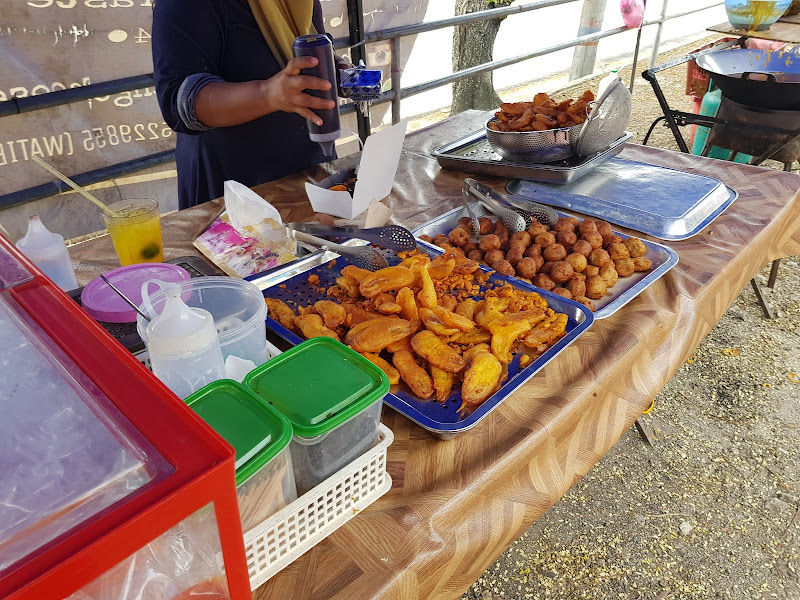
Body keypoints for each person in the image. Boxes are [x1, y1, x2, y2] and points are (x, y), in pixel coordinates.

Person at [152, 0, 344, 209]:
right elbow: (182, 101)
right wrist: (268, 94)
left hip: (311, 170)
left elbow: (311, 49)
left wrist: (338, 72)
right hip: (236, 192)